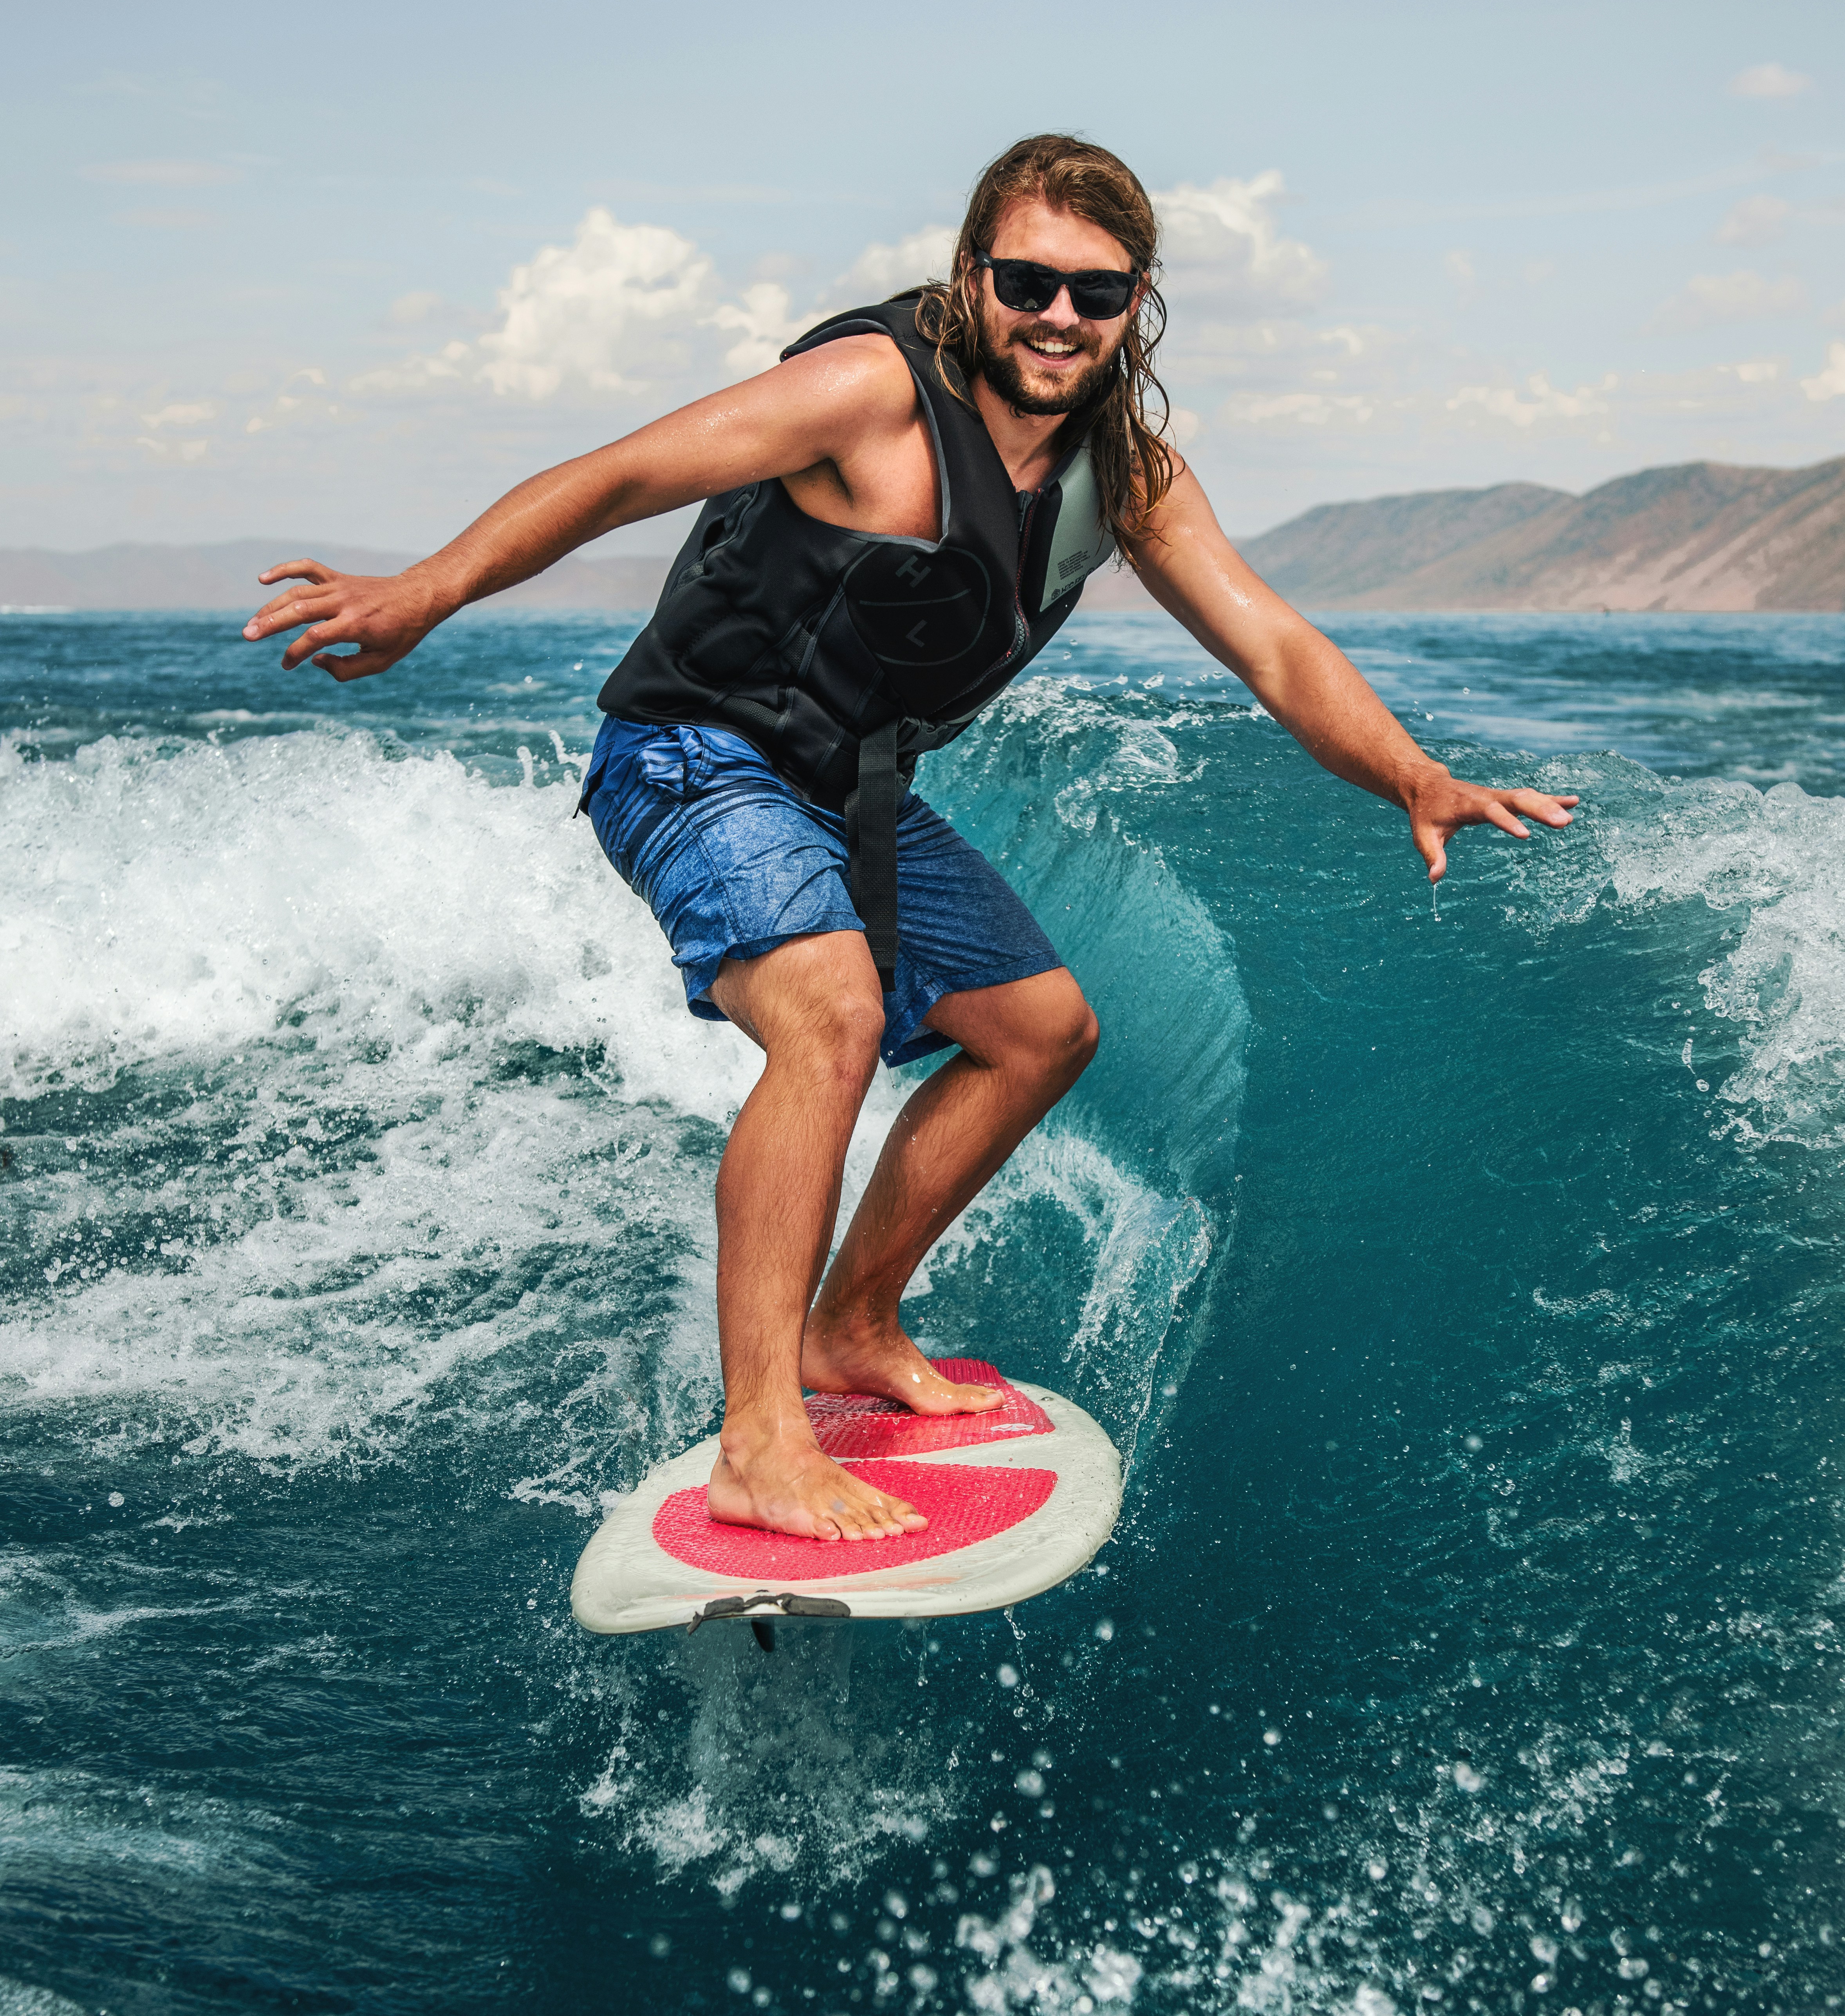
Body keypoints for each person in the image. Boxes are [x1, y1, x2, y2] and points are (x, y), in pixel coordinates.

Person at [245, 134, 1576, 1545]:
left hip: (846, 785)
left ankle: (853, 1322)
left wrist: (1411, 773)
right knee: (830, 1013)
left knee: (1043, 1029)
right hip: (693, 750)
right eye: (1030, 280)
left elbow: (1277, 647)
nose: (1061, 315)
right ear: (973, 276)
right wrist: (427, 592)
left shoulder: (1124, 471)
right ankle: (760, 1433)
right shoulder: (870, 395)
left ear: (1139, 305)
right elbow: (619, 477)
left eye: (1098, 292)